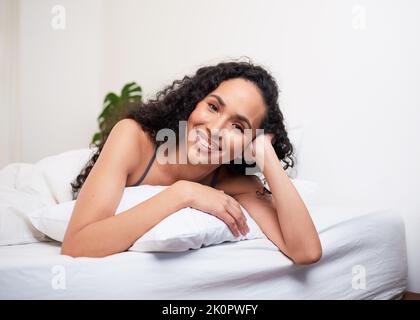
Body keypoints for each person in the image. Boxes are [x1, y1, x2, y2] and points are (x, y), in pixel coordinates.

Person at [62, 59, 322, 264]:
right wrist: (183, 193)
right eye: (213, 107)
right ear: (194, 102)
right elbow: (77, 244)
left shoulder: (235, 183)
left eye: (238, 126)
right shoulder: (132, 137)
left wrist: (267, 155)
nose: (215, 129)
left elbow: (306, 252)